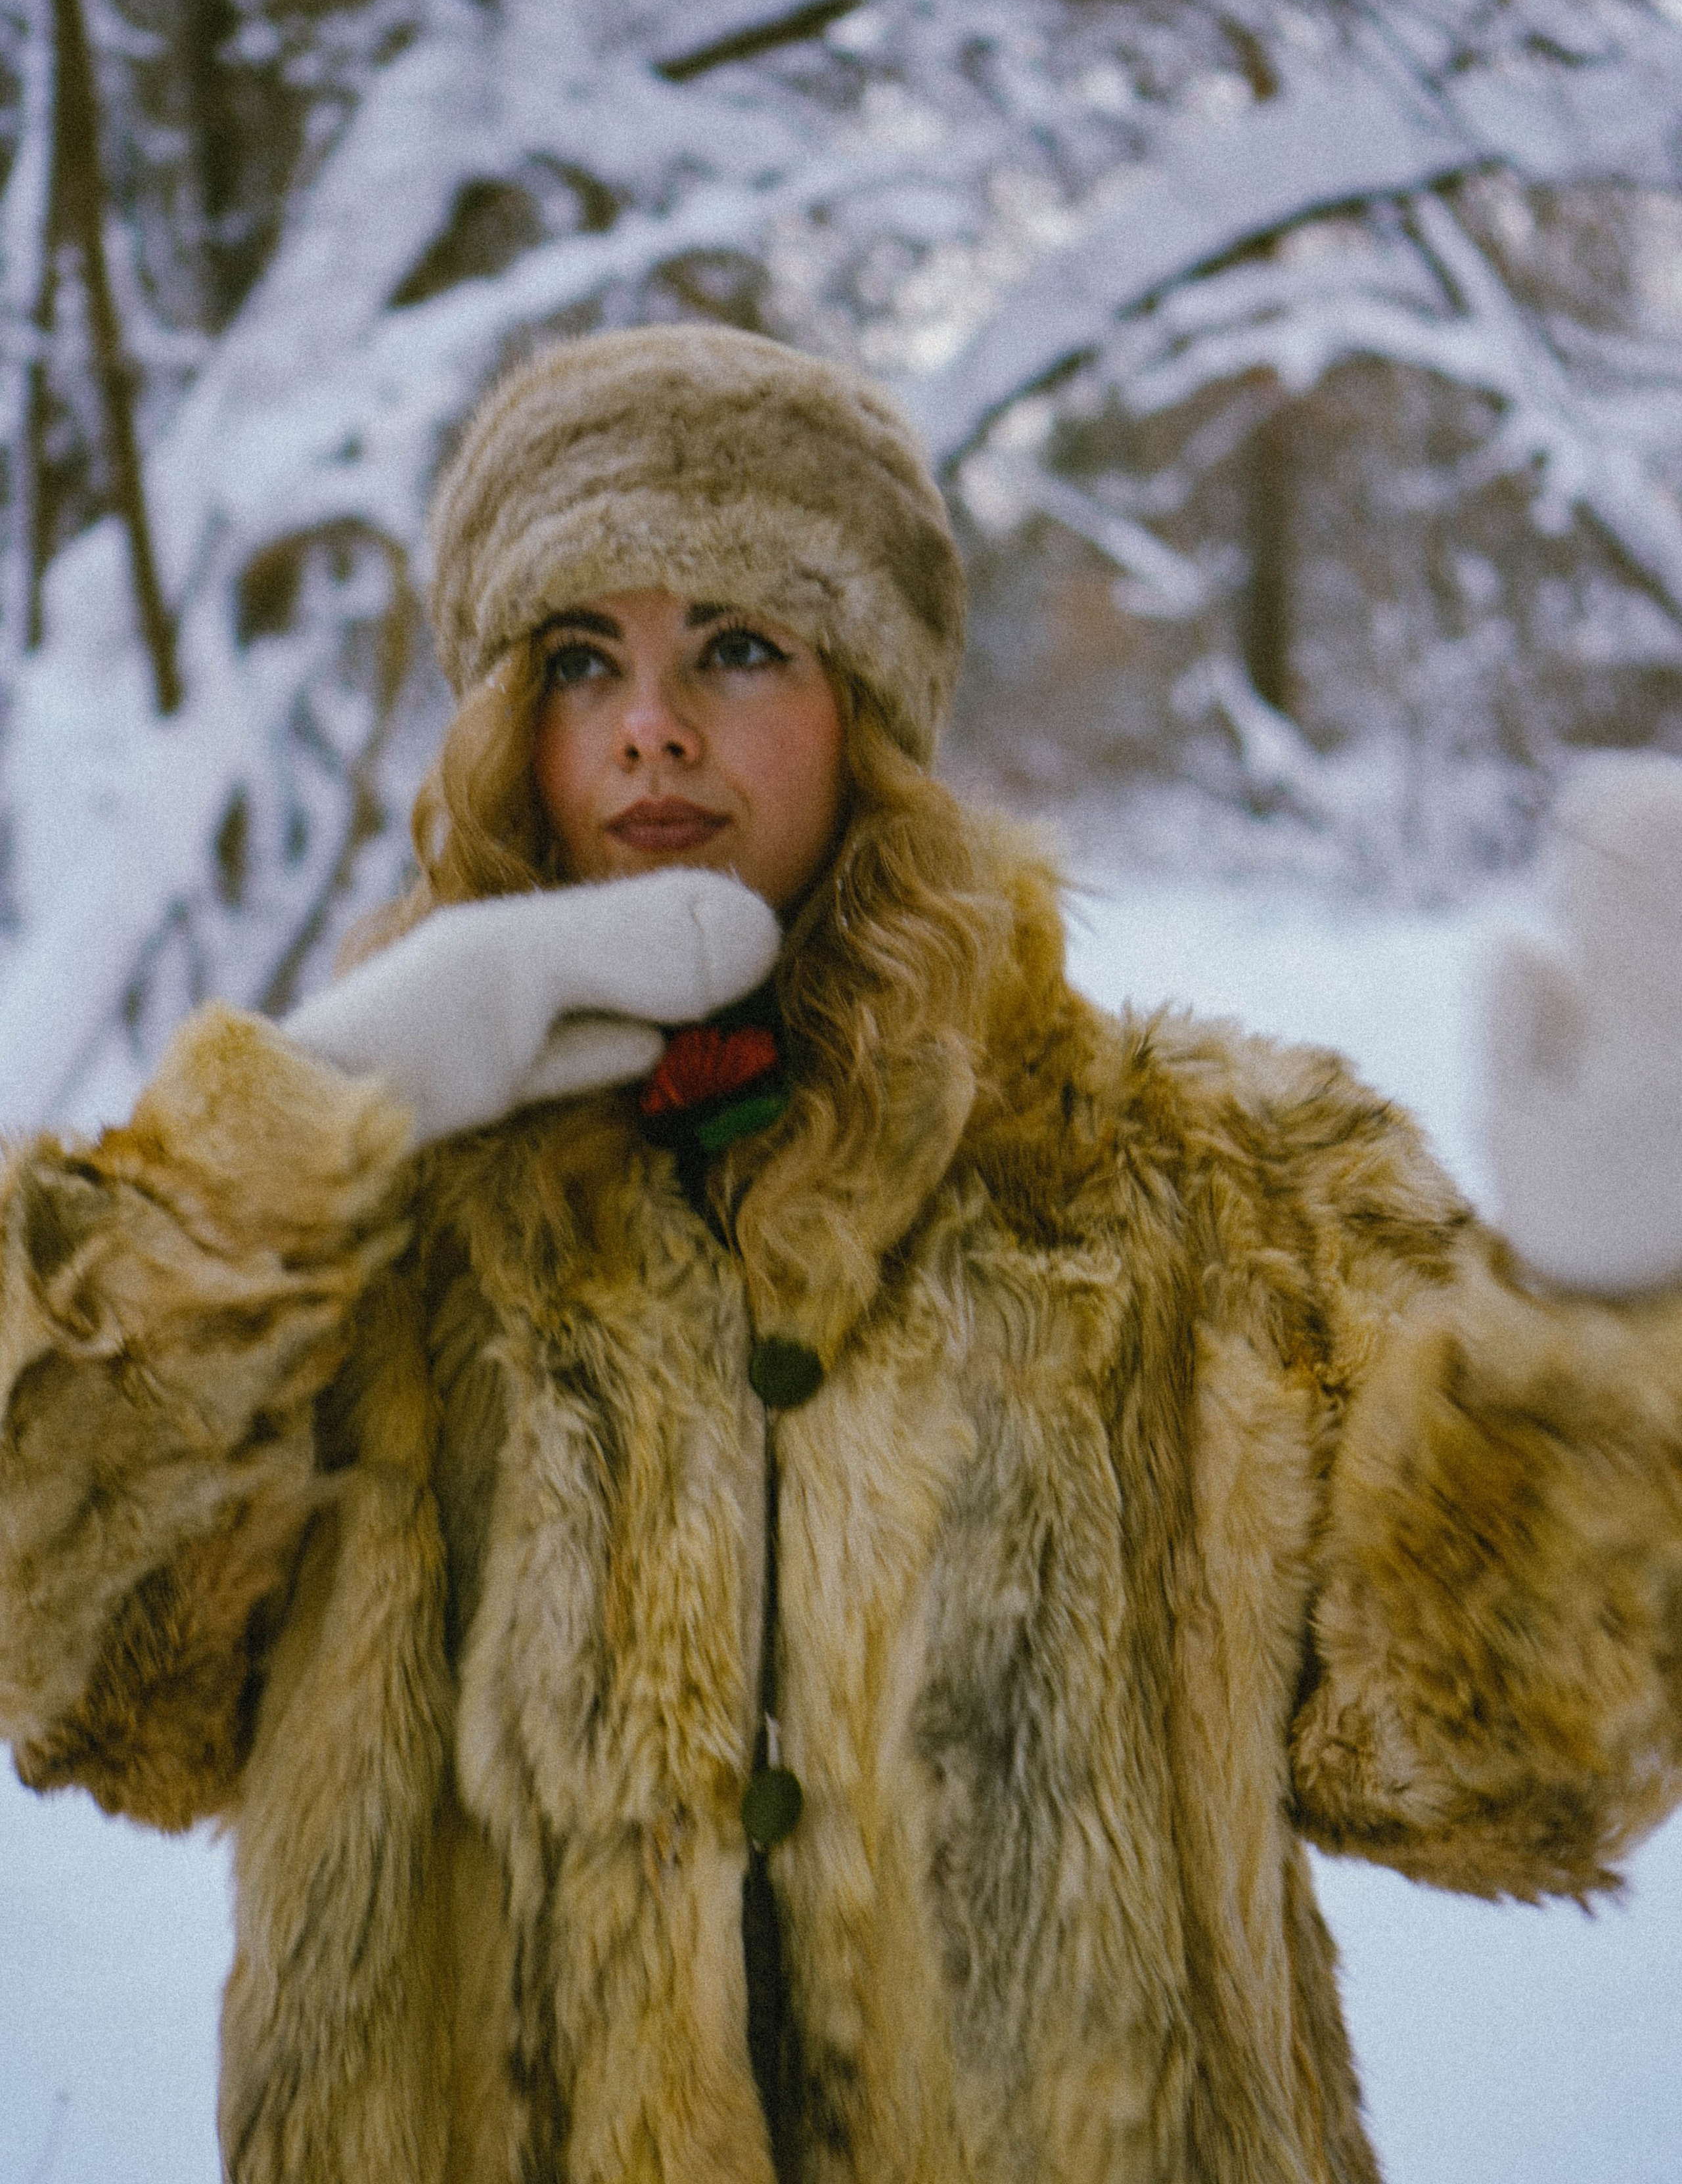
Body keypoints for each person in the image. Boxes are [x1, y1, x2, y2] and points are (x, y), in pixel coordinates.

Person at [2, 322, 1681, 2184]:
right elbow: (69, 1641)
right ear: (506, 723)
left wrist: (1598, 1333)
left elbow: (1509, 1759)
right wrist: (298, 1118)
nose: (653, 724)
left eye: (738, 645)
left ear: (871, 710)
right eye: (582, 659)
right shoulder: (362, 1257)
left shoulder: (1199, 1193)